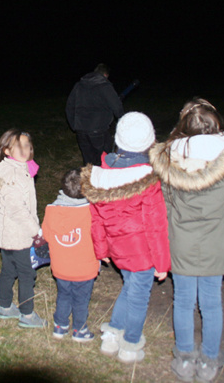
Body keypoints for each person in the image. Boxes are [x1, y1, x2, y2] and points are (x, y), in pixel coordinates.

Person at [149, 98, 224, 383]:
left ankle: (184, 358)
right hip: (216, 241)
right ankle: (208, 361)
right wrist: (218, 215)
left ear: (183, 127)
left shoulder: (169, 161)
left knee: (182, 301)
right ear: (216, 126)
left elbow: (165, 203)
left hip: (180, 242)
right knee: (212, 303)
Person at [80, 111, 171, 364]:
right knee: (139, 295)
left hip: (117, 248)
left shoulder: (100, 174)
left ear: (117, 140)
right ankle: (130, 344)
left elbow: (96, 219)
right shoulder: (147, 179)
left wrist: (103, 250)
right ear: (150, 142)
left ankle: (112, 335)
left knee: (130, 287)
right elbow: (156, 225)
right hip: (142, 252)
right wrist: (162, 263)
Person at [0, 129, 45, 328]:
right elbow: (17, 209)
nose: (25, 149)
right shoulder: (14, 174)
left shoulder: (12, 167)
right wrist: (36, 232)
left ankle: (5, 307)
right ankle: (27, 314)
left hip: (7, 235)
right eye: (19, 146)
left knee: (9, 270)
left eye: (27, 145)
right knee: (26, 274)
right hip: (18, 235)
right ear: (7, 150)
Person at [41, 168, 99, 342]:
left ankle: (60, 326)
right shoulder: (92, 212)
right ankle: (79, 330)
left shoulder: (51, 210)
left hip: (61, 268)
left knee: (64, 295)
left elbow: (46, 234)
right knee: (81, 300)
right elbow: (99, 237)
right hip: (85, 269)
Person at [66, 63, 124, 166]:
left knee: (88, 162)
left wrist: (74, 125)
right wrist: (123, 121)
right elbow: (117, 107)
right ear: (105, 75)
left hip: (81, 130)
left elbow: (69, 107)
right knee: (104, 160)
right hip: (99, 130)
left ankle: (89, 180)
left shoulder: (79, 85)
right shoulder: (105, 86)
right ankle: (101, 180)